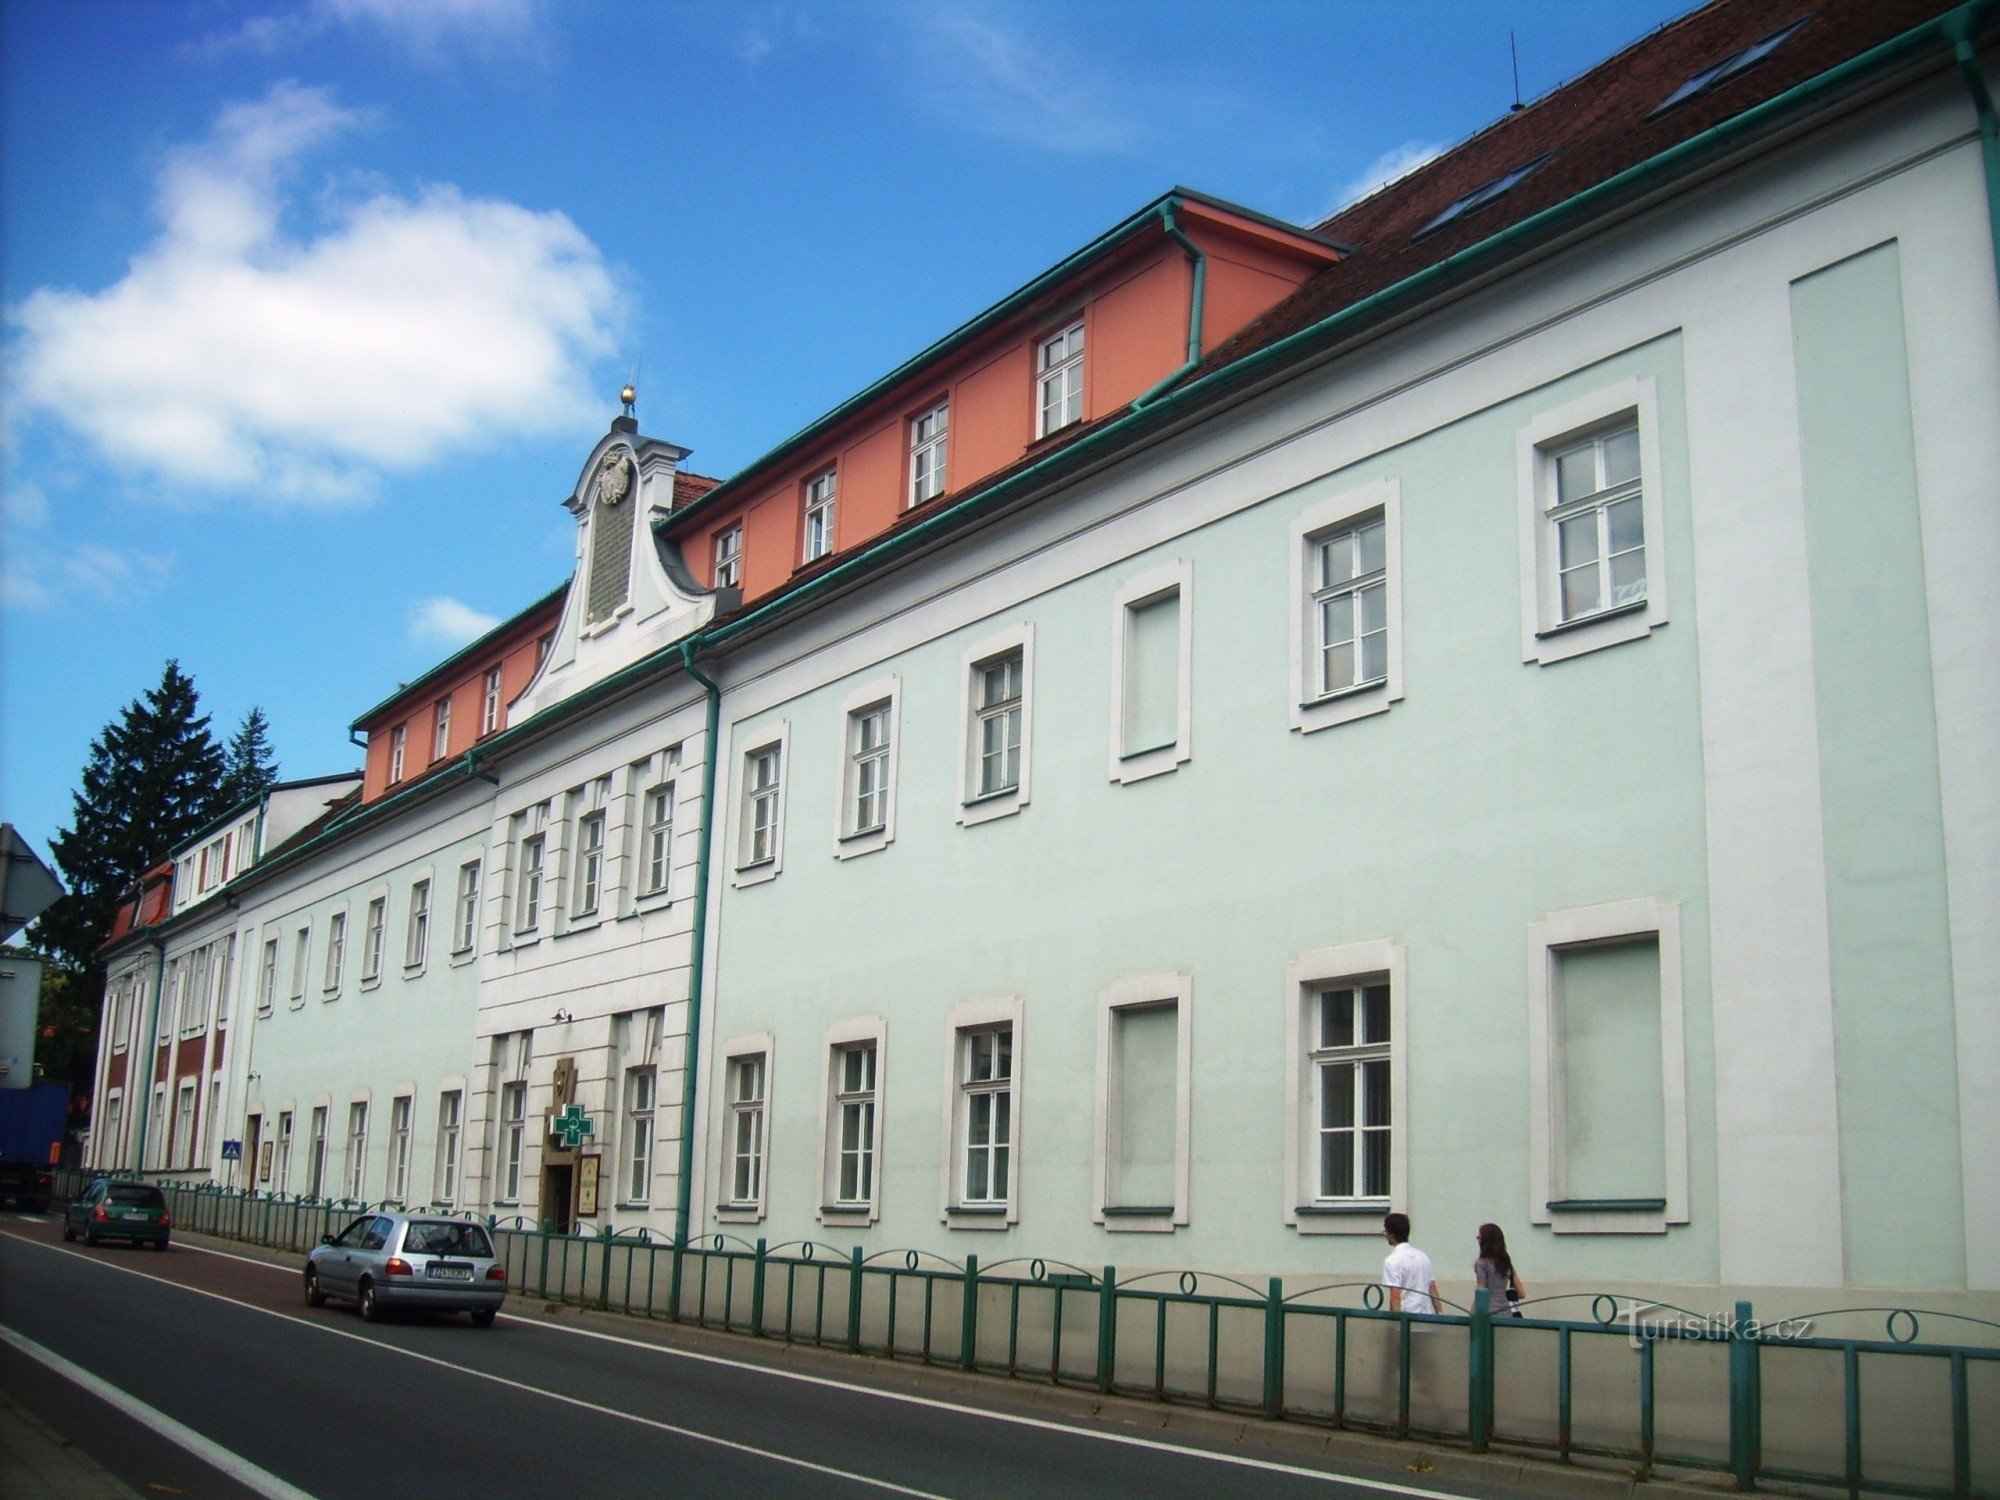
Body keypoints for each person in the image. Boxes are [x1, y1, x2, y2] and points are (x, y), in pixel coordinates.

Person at [1381, 1212, 1440, 1315]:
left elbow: (1395, 1298)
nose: (1384, 1234)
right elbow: (1433, 1290)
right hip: (1426, 1317)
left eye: (1385, 1231)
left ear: (1391, 1234)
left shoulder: (1392, 1261)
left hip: (1406, 1320)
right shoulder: (1423, 1257)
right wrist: (1440, 1315)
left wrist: (1394, 1322)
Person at [1473, 1222, 1526, 1317]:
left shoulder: (1481, 1263)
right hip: (1506, 1313)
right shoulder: (1505, 1262)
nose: (1478, 1240)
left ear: (1486, 1241)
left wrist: (1472, 1314)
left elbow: (1480, 1292)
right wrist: (1502, 1296)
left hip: (1488, 1314)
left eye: (1479, 1238)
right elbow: (1521, 1293)